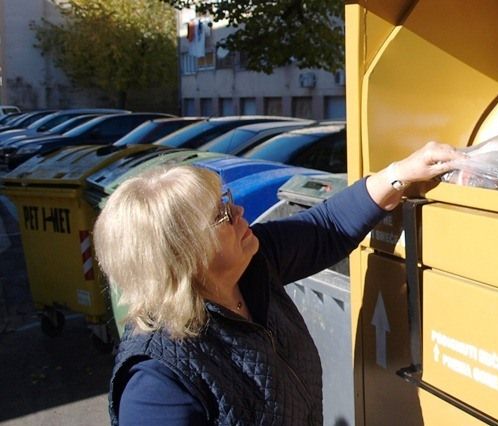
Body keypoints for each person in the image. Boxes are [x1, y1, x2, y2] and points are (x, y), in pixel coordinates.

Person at [93, 141, 463, 425]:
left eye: (228, 201)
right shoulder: (157, 384)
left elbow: (326, 228)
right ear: (184, 255)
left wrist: (401, 173)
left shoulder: (253, 265)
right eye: (221, 215)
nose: (239, 213)